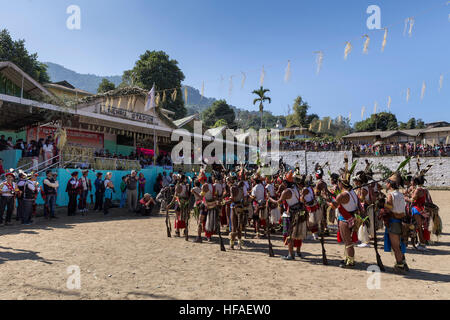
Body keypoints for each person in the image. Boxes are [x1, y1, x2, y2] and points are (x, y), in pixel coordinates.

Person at [381, 173, 409, 273]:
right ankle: (403, 262)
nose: (386, 184)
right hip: (401, 222)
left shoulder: (390, 196)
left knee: (396, 247)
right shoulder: (401, 194)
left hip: (393, 222)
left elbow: (387, 210)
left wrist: (381, 209)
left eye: (387, 183)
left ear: (390, 184)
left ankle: (400, 265)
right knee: (399, 245)